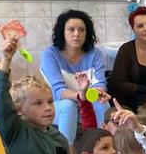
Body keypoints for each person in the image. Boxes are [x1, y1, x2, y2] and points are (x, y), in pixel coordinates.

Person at [0, 35, 70, 154]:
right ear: (19, 110)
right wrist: (6, 60)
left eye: (50, 101)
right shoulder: (16, 131)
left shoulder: (59, 139)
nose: (48, 108)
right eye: (38, 103)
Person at [39, 10, 110, 142]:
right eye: (71, 29)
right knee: (68, 106)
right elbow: (58, 91)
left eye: (81, 30)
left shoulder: (95, 54)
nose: (76, 34)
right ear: (62, 32)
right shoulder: (50, 54)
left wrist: (99, 93)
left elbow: (99, 83)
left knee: (102, 104)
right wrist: (80, 96)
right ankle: (68, 152)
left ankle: (102, 146)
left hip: (87, 100)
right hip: (58, 105)